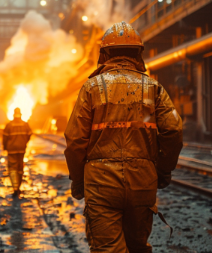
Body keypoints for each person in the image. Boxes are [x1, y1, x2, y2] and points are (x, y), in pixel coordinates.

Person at [64, 21, 183, 253]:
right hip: (143, 181)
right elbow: (173, 131)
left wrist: (78, 180)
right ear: (138, 53)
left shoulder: (91, 88)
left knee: (108, 249)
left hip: (100, 185)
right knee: (137, 247)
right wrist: (162, 170)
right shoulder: (153, 88)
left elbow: (75, 140)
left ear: (105, 53)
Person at [3, 107, 33, 197]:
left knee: (12, 168)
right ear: (21, 114)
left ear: (13, 114)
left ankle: (15, 188)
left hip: (11, 150)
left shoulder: (9, 125)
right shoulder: (25, 124)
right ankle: (18, 188)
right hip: (21, 149)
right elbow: (30, 134)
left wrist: (5, 147)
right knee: (20, 168)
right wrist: (24, 142)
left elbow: (4, 138)